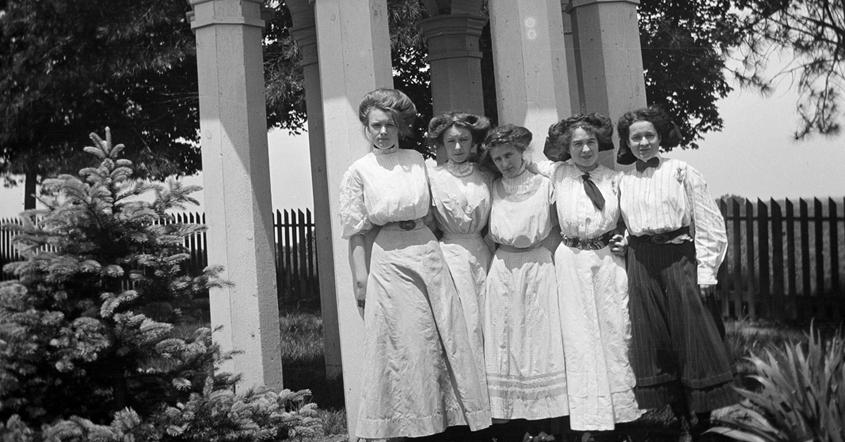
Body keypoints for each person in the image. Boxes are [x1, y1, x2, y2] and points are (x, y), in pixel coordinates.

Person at [338, 88, 491, 440]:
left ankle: (445, 422)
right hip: (390, 258)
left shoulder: (418, 161)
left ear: (400, 126)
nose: (383, 132)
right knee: (403, 344)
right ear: (366, 127)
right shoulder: (359, 171)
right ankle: (405, 425)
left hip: (427, 250)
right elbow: (357, 232)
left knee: (439, 338)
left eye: (390, 125)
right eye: (376, 125)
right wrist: (360, 279)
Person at [616, 106, 736, 441]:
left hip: (679, 256)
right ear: (626, 142)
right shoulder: (623, 180)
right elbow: (630, 222)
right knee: (654, 336)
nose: (643, 143)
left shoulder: (682, 171)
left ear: (660, 138)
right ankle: (679, 416)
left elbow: (710, 223)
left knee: (691, 332)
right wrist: (623, 239)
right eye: (636, 137)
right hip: (641, 260)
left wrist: (707, 271)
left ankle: (703, 415)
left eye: (649, 136)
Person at [544, 115, 644, 434]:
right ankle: (584, 416)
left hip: (607, 260)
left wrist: (624, 239)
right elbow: (516, 166)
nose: (585, 149)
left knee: (615, 330)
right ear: (566, 148)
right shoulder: (557, 174)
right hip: (570, 260)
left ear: (600, 144)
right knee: (577, 335)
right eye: (577, 144)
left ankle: (622, 414)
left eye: (591, 143)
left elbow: (633, 219)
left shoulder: (615, 179)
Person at [479, 124, 569, 435]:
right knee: (507, 338)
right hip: (503, 265)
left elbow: (557, 227)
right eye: (498, 159)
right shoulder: (493, 187)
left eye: (509, 155)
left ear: (522, 152)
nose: (505, 163)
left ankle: (547, 421)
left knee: (540, 338)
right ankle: (511, 422)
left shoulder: (545, 185)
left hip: (538, 263)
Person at [426, 112, 493, 374]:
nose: (457, 147)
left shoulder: (486, 175)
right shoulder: (433, 176)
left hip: (482, 253)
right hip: (450, 254)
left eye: (463, 140)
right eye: (450, 141)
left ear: (473, 142)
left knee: (486, 319)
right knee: (460, 321)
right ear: (441, 144)